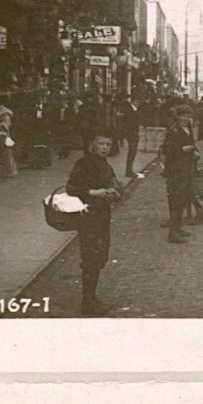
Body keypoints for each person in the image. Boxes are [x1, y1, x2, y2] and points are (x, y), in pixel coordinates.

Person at [65, 134, 122, 316]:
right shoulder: (84, 163)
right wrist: (95, 192)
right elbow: (71, 188)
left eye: (108, 144)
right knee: (91, 258)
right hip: (88, 218)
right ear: (92, 145)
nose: (105, 147)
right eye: (101, 144)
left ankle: (92, 297)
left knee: (99, 257)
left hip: (102, 216)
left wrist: (116, 192)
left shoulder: (105, 163)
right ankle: (87, 301)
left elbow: (114, 184)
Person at [160, 104, 199, 243]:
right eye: (183, 116)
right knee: (176, 200)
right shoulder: (173, 130)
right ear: (178, 116)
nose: (186, 119)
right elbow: (167, 150)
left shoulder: (187, 128)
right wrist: (183, 149)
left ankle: (177, 228)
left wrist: (195, 151)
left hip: (186, 168)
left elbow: (191, 143)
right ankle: (173, 233)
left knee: (182, 200)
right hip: (176, 170)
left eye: (188, 116)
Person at [114, 94, 142, 178]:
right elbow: (123, 120)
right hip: (131, 133)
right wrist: (126, 131)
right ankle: (129, 171)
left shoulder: (134, 109)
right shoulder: (128, 109)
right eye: (137, 101)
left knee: (133, 152)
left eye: (139, 101)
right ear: (133, 101)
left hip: (133, 133)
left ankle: (129, 170)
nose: (138, 103)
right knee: (132, 152)